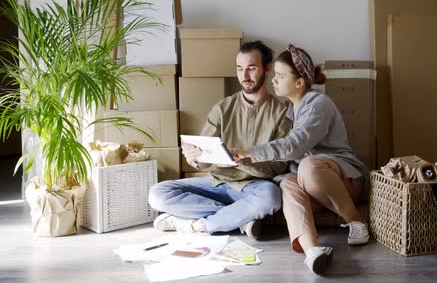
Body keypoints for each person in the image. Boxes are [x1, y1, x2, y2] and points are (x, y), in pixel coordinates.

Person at [232, 44, 370, 274]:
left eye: (280, 75)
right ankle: (312, 251)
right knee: (287, 182)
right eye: (274, 74)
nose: (273, 80)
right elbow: (286, 157)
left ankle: (356, 221)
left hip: (343, 180)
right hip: (310, 183)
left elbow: (295, 146)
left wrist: (249, 151)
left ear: (299, 82)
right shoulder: (289, 111)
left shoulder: (319, 104)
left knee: (309, 165)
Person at [148, 41, 292, 240]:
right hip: (218, 183)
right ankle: (240, 218)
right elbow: (204, 158)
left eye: (251, 68)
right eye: (240, 69)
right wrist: (195, 157)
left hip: (254, 187)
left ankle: (198, 225)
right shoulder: (223, 107)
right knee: (157, 193)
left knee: (271, 197)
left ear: (267, 70)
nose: (245, 76)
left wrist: (242, 159)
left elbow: (278, 167)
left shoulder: (282, 113)